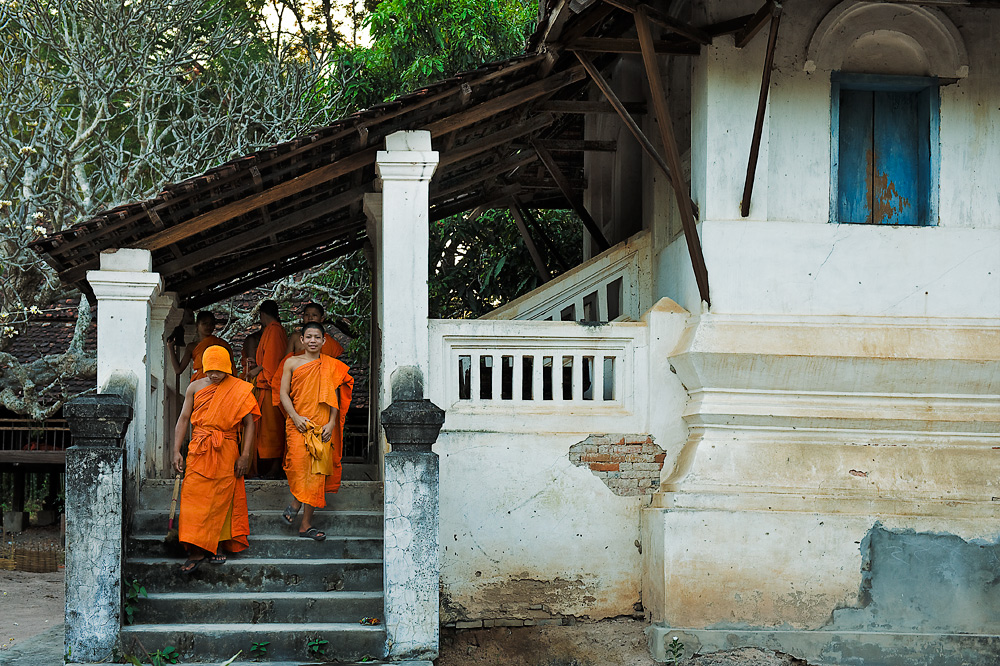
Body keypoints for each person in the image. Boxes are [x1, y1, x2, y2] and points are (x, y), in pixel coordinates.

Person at [172, 345, 259, 573]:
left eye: (219, 371)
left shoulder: (239, 389)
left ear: (228, 369)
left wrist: (245, 454)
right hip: (200, 448)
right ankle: (196, 548)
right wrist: (175, 451)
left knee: (222, 498)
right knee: (193, 498)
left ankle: (217, 545)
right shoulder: (195, 387)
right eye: (210, 371)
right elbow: (183, 419)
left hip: (227, 448)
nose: (214, 375)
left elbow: (250, 424)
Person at [278, 322, 353, 540]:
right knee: (299, 467)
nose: (312, 341)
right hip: (298, 424)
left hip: (322, 425)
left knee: (317, 474)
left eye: (317, 337)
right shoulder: (291, 363)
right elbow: (284, 394)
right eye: (308, 336)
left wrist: (331, 423)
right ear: (301, 340)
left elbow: (335, 397)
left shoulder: (330, 365)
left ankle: (305, 523)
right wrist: (295, 416)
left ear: (323, 341)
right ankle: (296, 502)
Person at [246, 300, 288, 476]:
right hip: (265, 386)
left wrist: (255, 370)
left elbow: (271, 362)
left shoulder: (274, 330)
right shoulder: (274, 330)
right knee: (266, 430)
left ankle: (274, 468)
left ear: (262, 315)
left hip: (270, 387)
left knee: (272, 430)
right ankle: (267, 467)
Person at [168, 311, 234, 381]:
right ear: (197, 325)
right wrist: (170, 348)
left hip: (219, 382)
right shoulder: (192, 346)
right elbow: (178, 370)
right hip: (200, 383)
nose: (208, 326)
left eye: (211, 324)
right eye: (204, 323)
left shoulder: (221, 344)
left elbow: (230, 369)